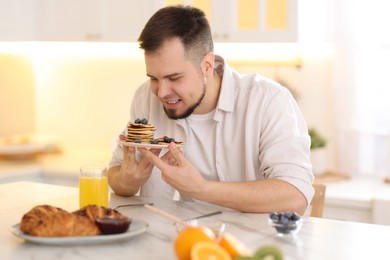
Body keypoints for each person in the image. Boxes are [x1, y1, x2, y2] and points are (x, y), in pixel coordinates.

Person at [108, 5, 314, 214]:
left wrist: (201, 189)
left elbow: (295, 195)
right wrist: (128, 180)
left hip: (252, 244)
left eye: (174, 78)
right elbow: (115, 175)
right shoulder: (146, 98)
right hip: (175, 239)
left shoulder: (267, 100)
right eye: (153, 78)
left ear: (207, 65)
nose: (161, 92)